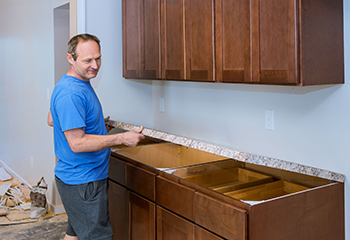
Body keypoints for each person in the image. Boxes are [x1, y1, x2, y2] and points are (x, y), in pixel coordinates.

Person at [47, 33, 144, 240]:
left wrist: (96, 127)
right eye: (87, 60)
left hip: (78, 179)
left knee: (73, 234)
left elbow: (52, 119)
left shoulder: (73, 83)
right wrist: (122, 138)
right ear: (70, 58)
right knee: (98, 237)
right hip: (84, 182)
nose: (95, 65)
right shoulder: (71, 93)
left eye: (98, 58)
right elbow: (77, 143)